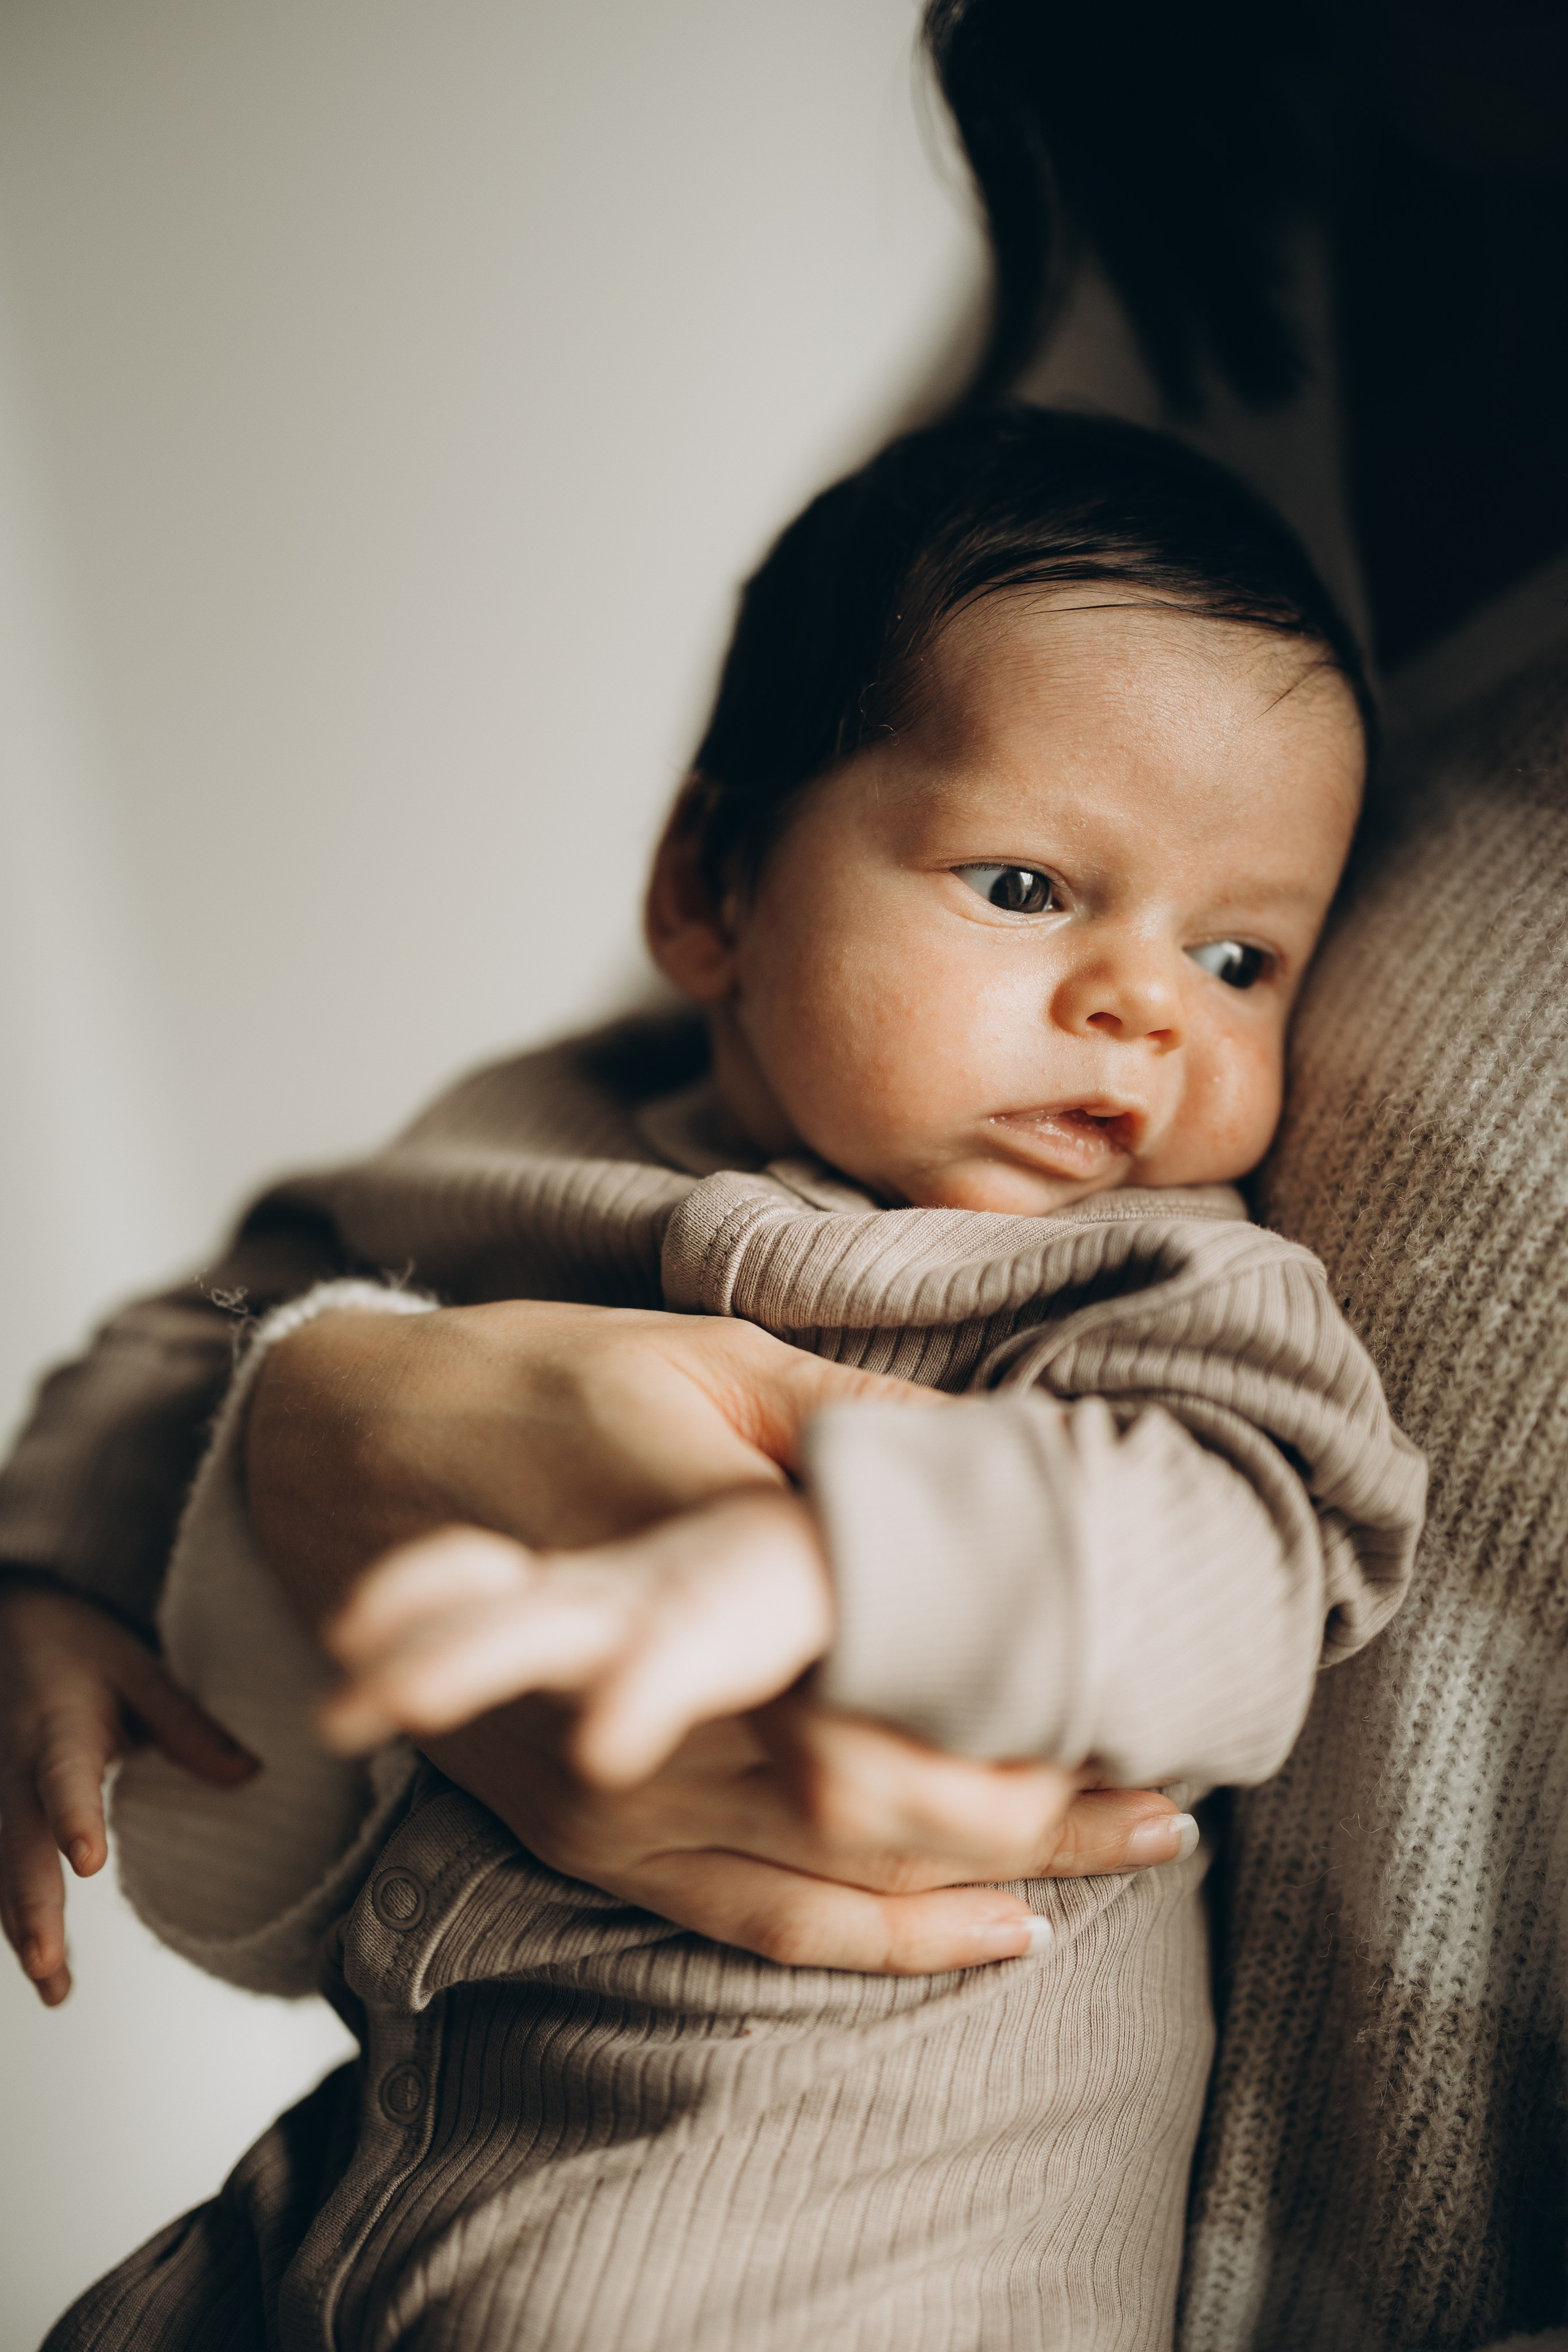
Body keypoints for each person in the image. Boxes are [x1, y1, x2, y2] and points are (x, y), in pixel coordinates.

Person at [6, 1, 1568, 2344]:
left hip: (823, 2238)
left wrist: (846, 1556)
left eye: (1247, 955)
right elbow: (218, 1325)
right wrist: (56, 1573)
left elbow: (1241, 1571)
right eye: (1034, 892)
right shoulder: (540, 1138)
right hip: (394, 2127)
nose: (1151, 1005)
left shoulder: (1173, 1283)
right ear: (707, 894)